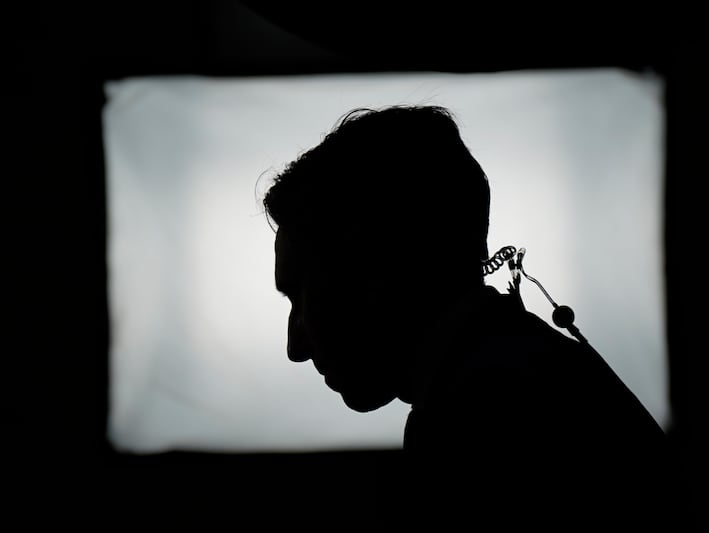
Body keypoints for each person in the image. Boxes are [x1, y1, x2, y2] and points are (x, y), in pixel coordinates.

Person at [263, 105, 672, 529]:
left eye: (304, 297)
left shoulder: (478, 422)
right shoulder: (531, 375)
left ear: (379, 267)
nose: (296, 347)